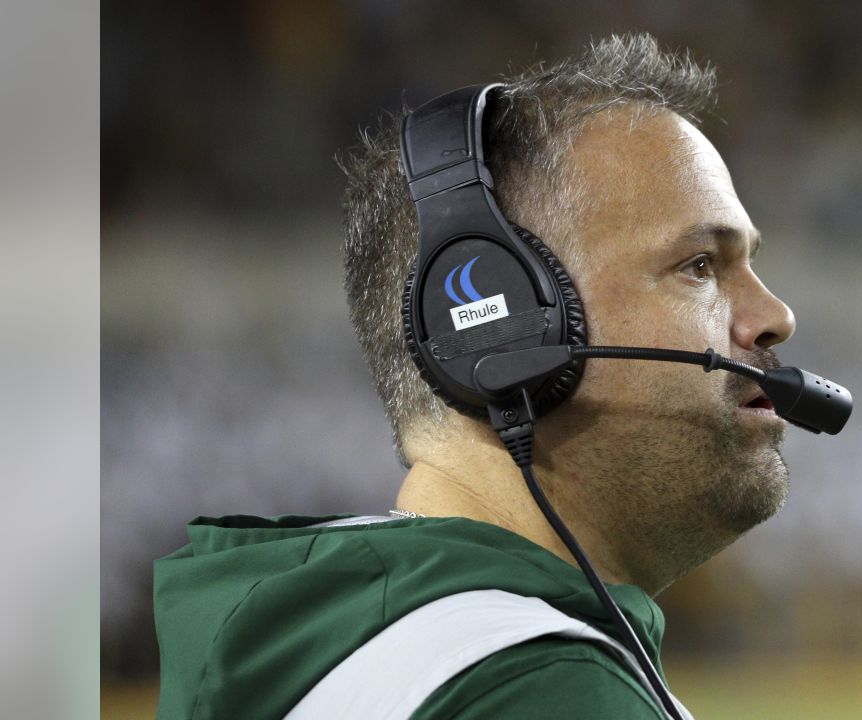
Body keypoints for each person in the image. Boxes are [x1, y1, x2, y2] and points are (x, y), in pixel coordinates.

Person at [153, 33, 797, 719]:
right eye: (699, 265)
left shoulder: (335, 644)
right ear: (498, 324)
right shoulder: (535, 689)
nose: (775, 316)